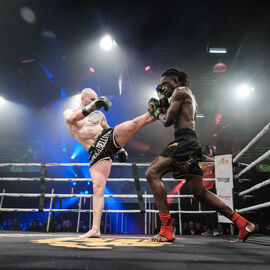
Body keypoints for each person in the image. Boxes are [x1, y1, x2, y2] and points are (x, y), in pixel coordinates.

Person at [146, 67, 255, 242]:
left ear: (177, 81)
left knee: (152, 173)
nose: (163, 87)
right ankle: (242, 223)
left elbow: (167, 120)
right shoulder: (185, 94)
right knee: (200, 192)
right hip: (191, 142)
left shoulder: (180, 91)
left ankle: (166, 228)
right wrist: (161, 98)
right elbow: (170, 112)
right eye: (161, 85)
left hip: (184, 141)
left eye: (166, 83)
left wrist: (157, 111)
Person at [64, 88, 156, 238]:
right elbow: (72, 119)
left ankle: (155, 113)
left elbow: (109, 130)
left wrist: (119, 149)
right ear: (83, 99)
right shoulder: (69, 112)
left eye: (96, 100)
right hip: (95, 153)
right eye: (92, 100)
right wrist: (95, 105)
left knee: (132, 125)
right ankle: (95, 229)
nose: (94, 103)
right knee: (97, 189)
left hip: (107, 140)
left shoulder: (99, 115)